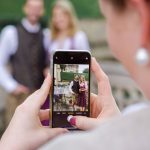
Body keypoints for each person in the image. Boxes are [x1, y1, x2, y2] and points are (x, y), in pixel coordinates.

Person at [1, 0, 150, 149]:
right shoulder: (48, 36)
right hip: (55, 92)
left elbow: (85, 66)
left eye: (107, 19)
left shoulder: (77, 37)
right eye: (56, 15)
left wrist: (9, 145)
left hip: (73, 89)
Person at [0, 0, 49, 125]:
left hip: (39, 99)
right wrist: (12, 86)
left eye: (38, 8)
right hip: (18, 99)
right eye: (32, 7)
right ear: (25, 8)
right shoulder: (11, 33)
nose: (34, 11)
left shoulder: (46, 35)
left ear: (42, 11)